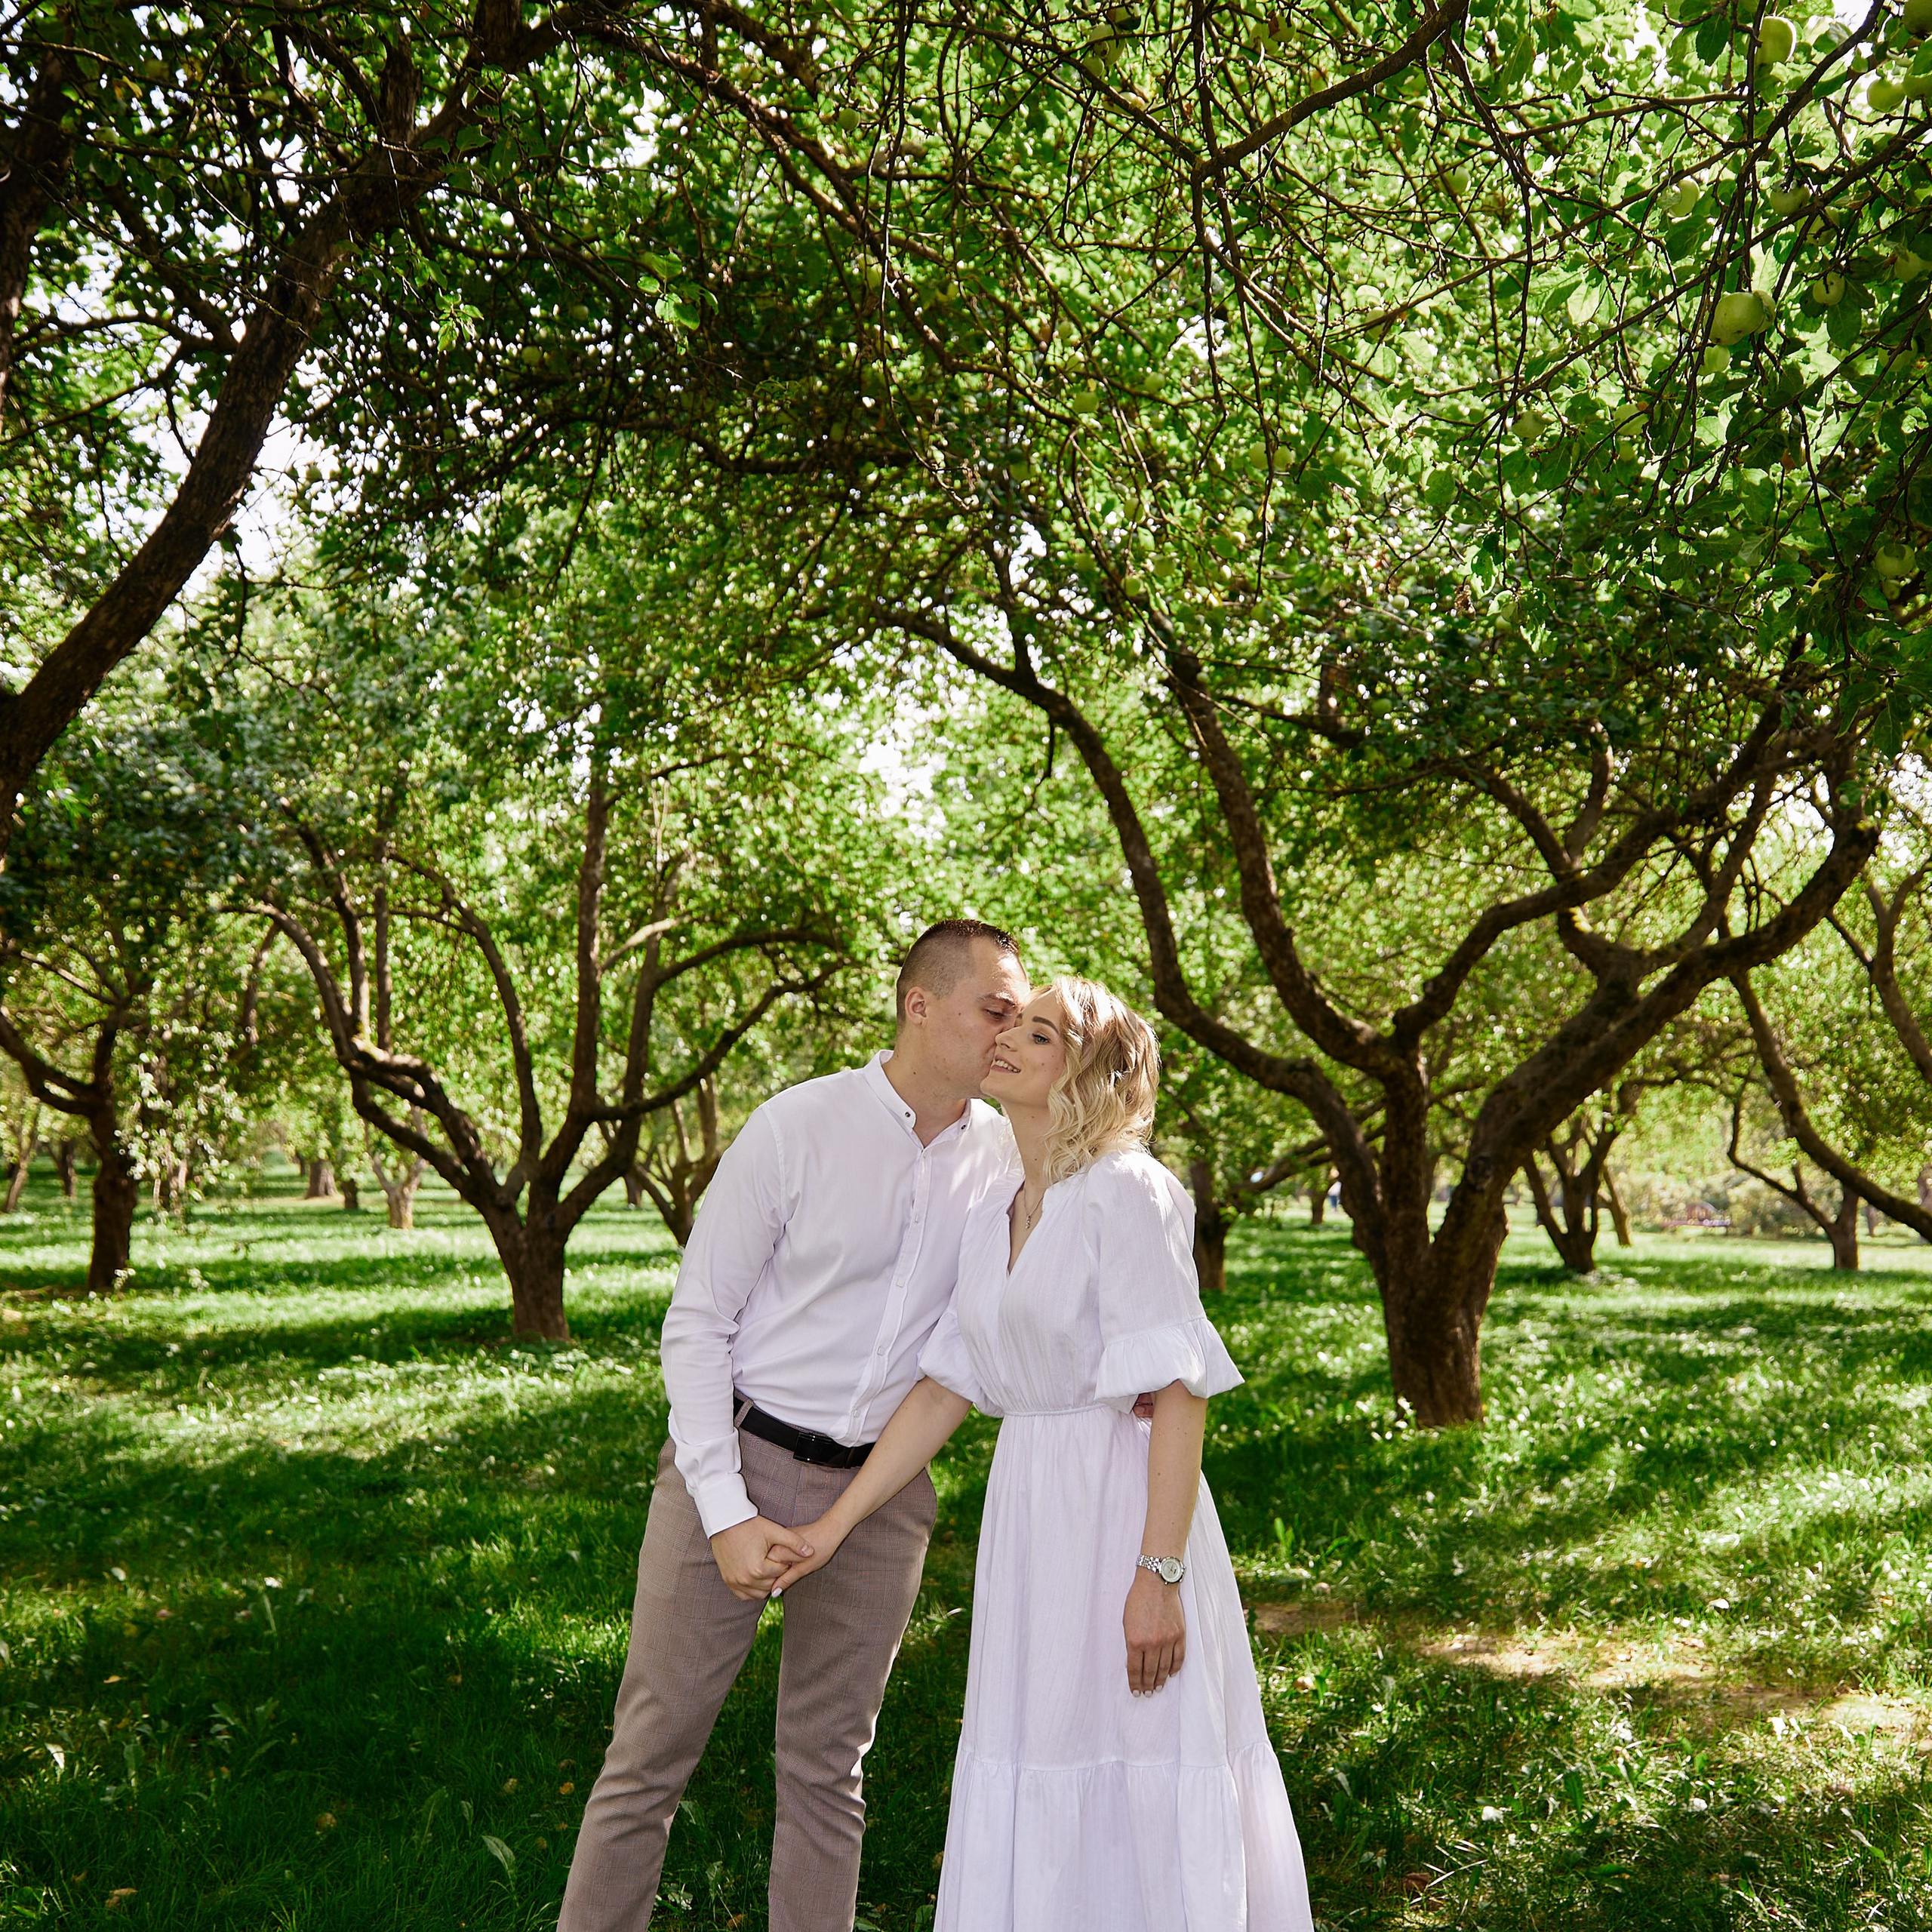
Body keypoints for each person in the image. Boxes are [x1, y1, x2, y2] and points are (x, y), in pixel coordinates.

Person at [771, 977, 1315, 1932]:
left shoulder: (1126, 1190)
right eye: (1010, 1026)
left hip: (1122, 1506)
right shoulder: (999, 1206)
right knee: (1039, 1750)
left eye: (1041, 1033)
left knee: (1137, 1750)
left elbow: (1178, 1393)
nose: (1008, 1042)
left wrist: (1159, 1575)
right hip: (1031, 1519)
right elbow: (946, 1386)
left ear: (1093, 1073)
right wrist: (833, 1522)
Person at [558, 920, 1030, 1932]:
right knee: (649, 1755)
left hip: (882, 1499)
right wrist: (724, 1511)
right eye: (995, 1009)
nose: (1010, 1031)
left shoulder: (1002, 1160)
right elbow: (697, 1325)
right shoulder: (798, 1126)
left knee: (829, 1769)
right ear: (921, 1005)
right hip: (736, 1463)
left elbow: (978, 1350)